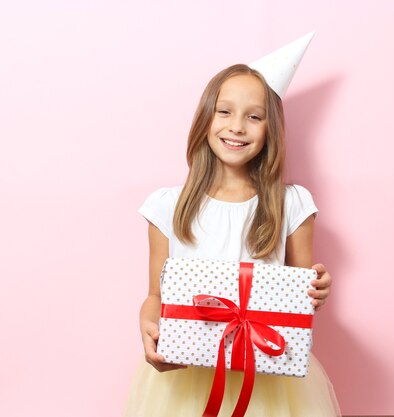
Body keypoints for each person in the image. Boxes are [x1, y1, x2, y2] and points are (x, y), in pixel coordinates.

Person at [126, 33, 340, 417]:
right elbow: (155, 296)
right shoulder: (167, 206)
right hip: (184, 378)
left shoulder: (292, 204)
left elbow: (300, 292)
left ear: (270, 129)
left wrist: (317, 288)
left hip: (266, 379)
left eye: (254, 116)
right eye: (224, 112)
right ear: (205, 118)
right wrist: (150, 330)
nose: (237, 126)